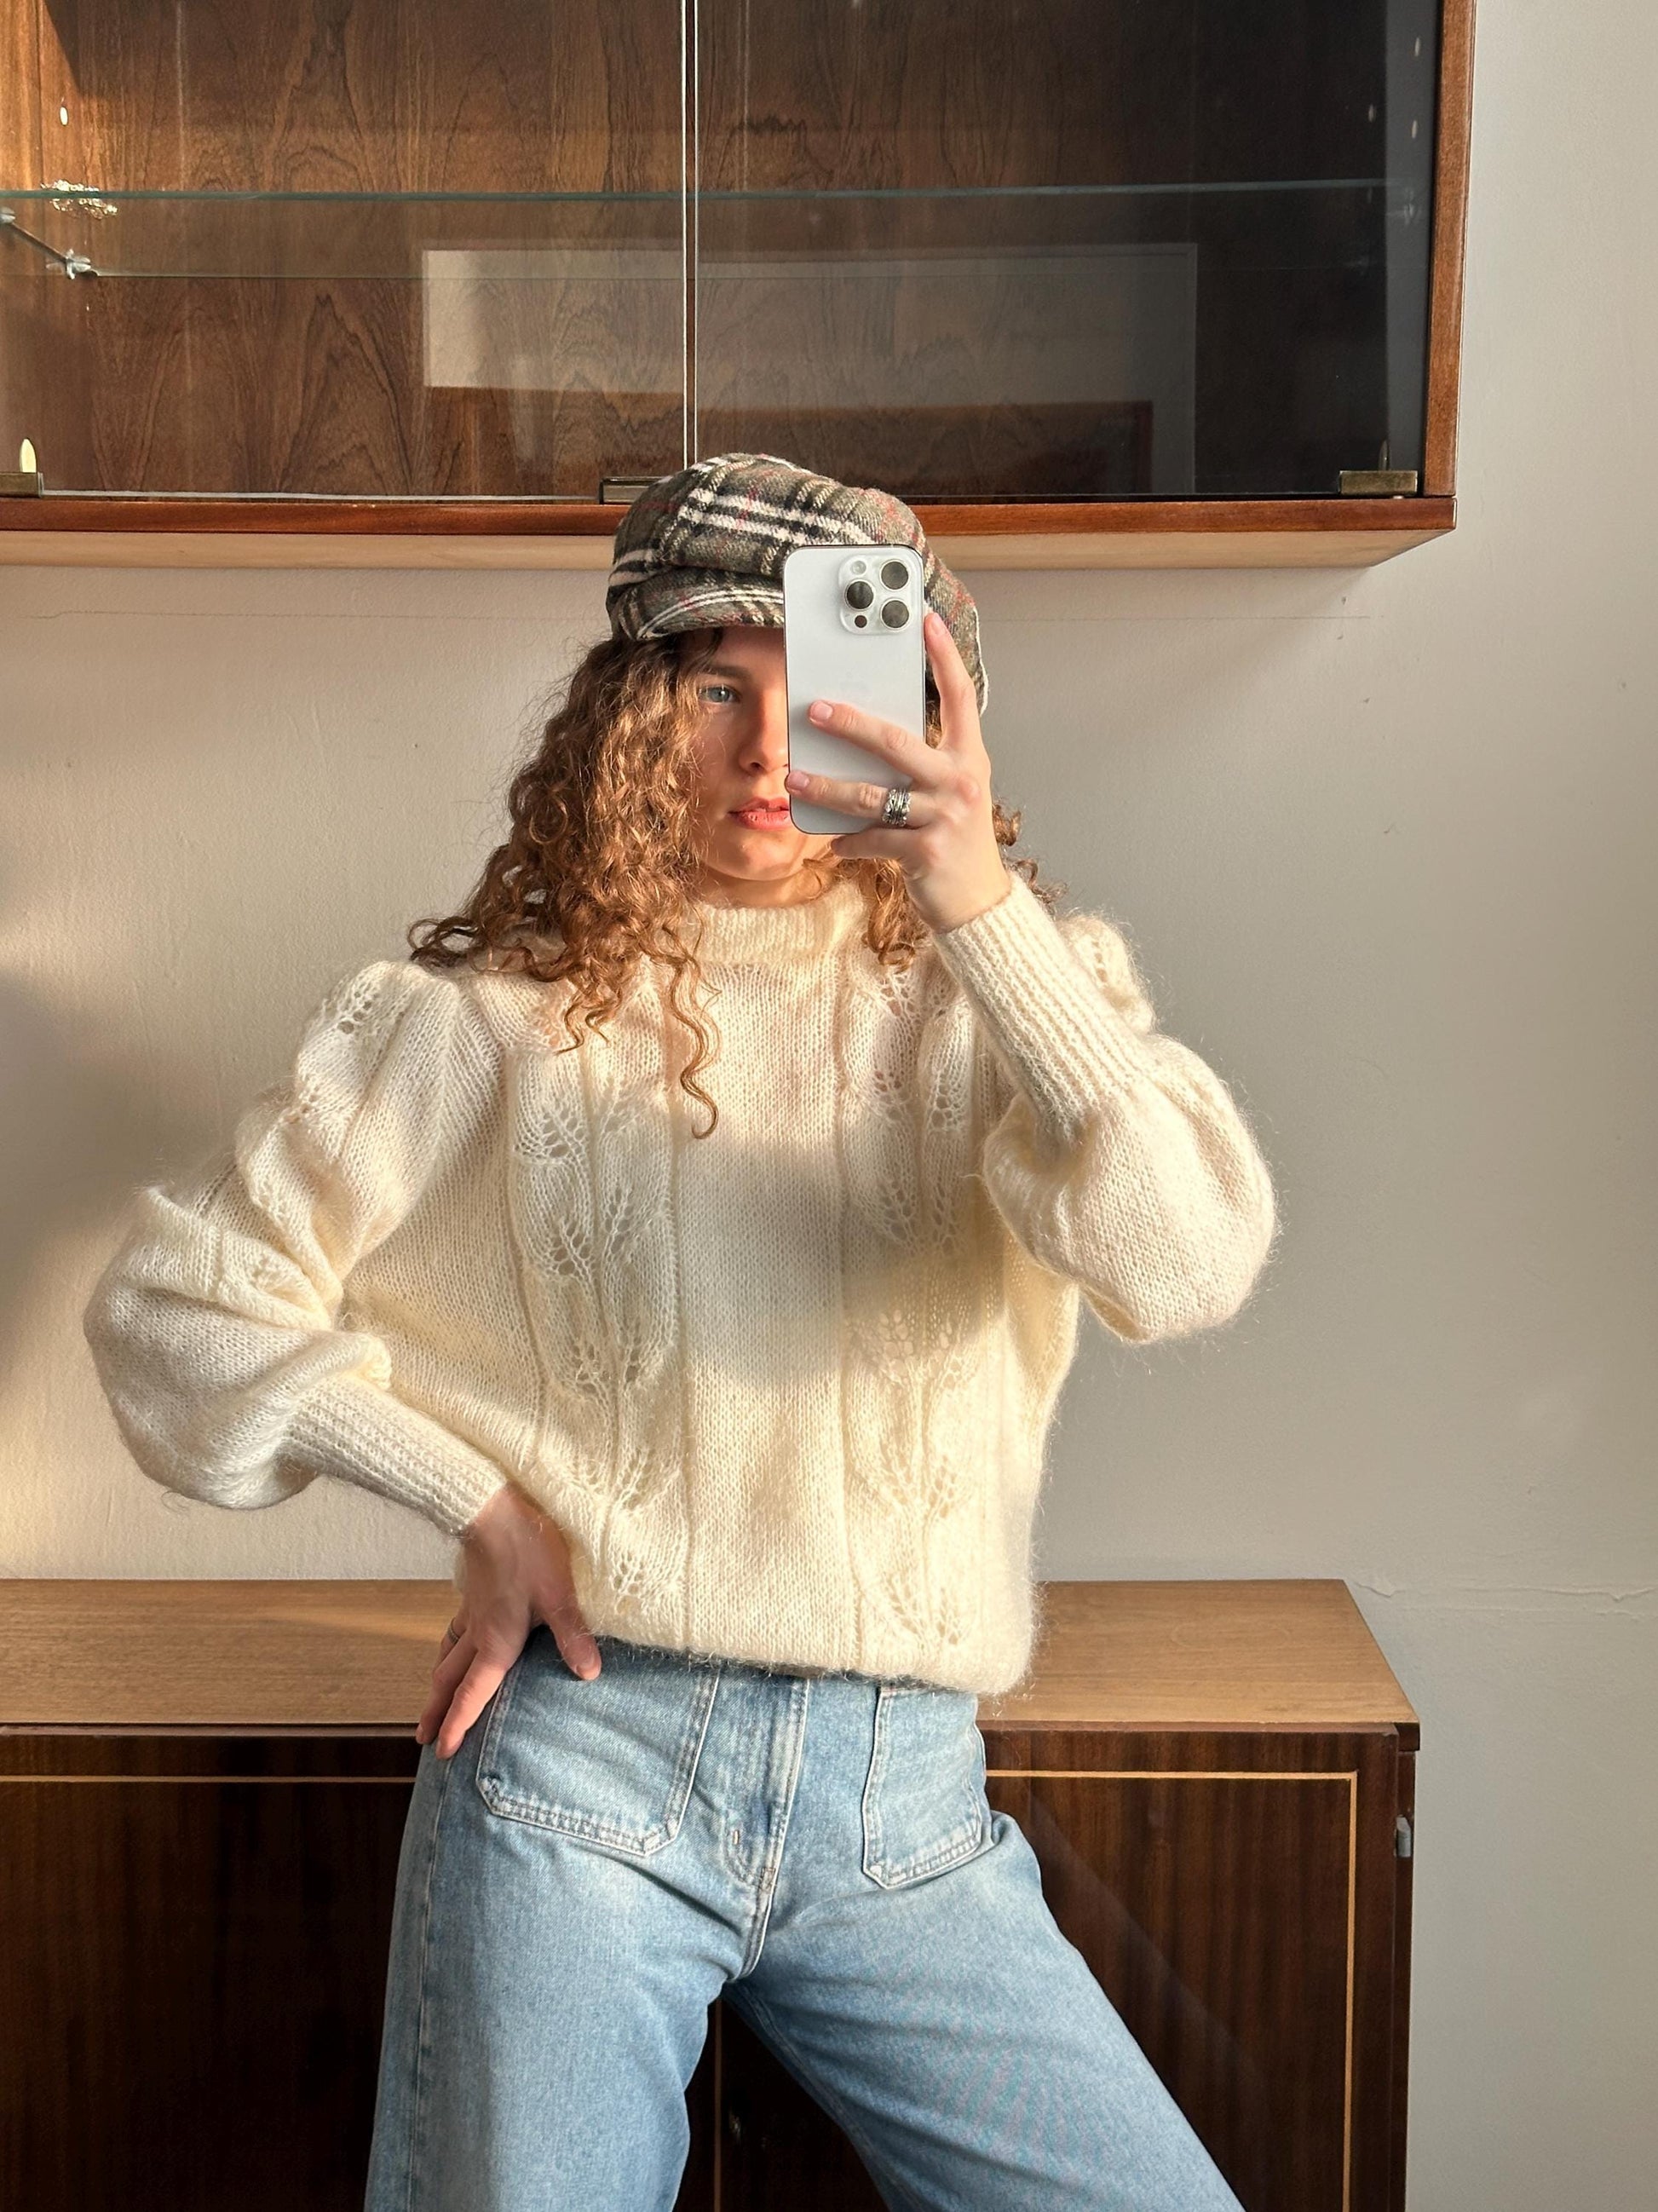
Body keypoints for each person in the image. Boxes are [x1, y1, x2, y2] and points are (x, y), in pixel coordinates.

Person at [82, 452, 1277, 2211]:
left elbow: (1185, 1264)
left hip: (903, 1800)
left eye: (828, 690)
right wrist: (475, 1501)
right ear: (632, 713)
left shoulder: (1010, 1001)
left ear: (925, 717)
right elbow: (172, 1311)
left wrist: (979, 908)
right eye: (717, 687)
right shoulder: (480, 1022)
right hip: (582, 1764)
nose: (767, 750)